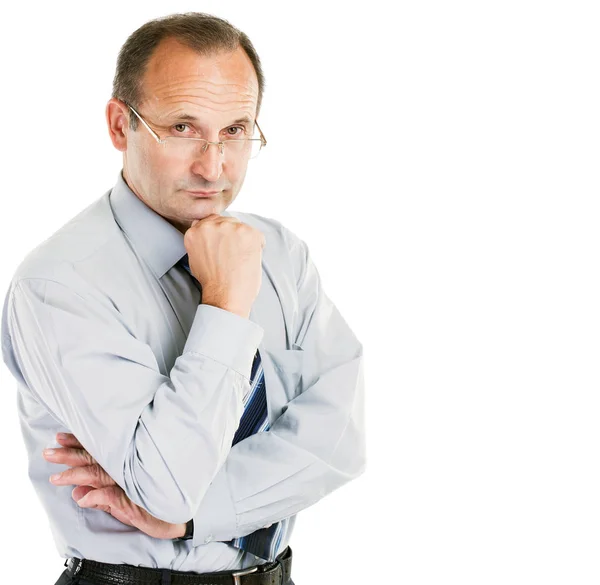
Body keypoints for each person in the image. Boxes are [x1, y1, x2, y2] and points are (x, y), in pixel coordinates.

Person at [0, 11, 366, 585]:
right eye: (182, 128)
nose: (213, 167)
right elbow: (168, 487)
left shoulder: (281, 255)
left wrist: (199, 515)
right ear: (121, 125)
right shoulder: (60, 286)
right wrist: (224, 304)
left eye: (236, 130)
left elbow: (340, 444)